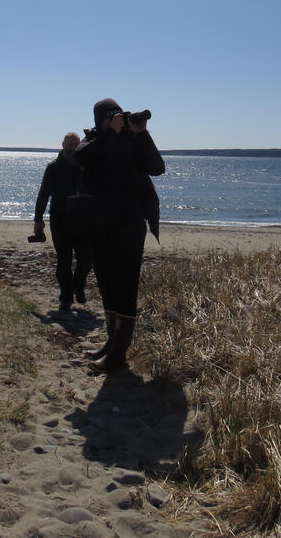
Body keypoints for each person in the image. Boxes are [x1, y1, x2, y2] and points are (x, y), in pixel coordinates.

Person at [74, 98, 165, 373]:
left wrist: (142, 133)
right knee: (107, 285)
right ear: (100, 119)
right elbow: (79, 159)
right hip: (98, 224)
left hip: (129, 224)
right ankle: (112, 345)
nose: (117, 119)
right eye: (111, 116)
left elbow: (157, 168)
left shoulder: (133, 140)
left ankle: (118, 356)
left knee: (125, 286)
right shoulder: (90, 141)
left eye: (118, 115)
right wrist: (109, 134)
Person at [34, 132, 93, 311]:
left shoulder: (87, 166)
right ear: (63, 144)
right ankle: (66, 296)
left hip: (84, 219)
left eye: (76, 144)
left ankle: (79, 285)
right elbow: (43, 194)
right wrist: (38, 220)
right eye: (69, 144)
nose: (73, 148)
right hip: (60, 219)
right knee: (63, 260)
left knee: (86, 259)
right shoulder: (53, 167)